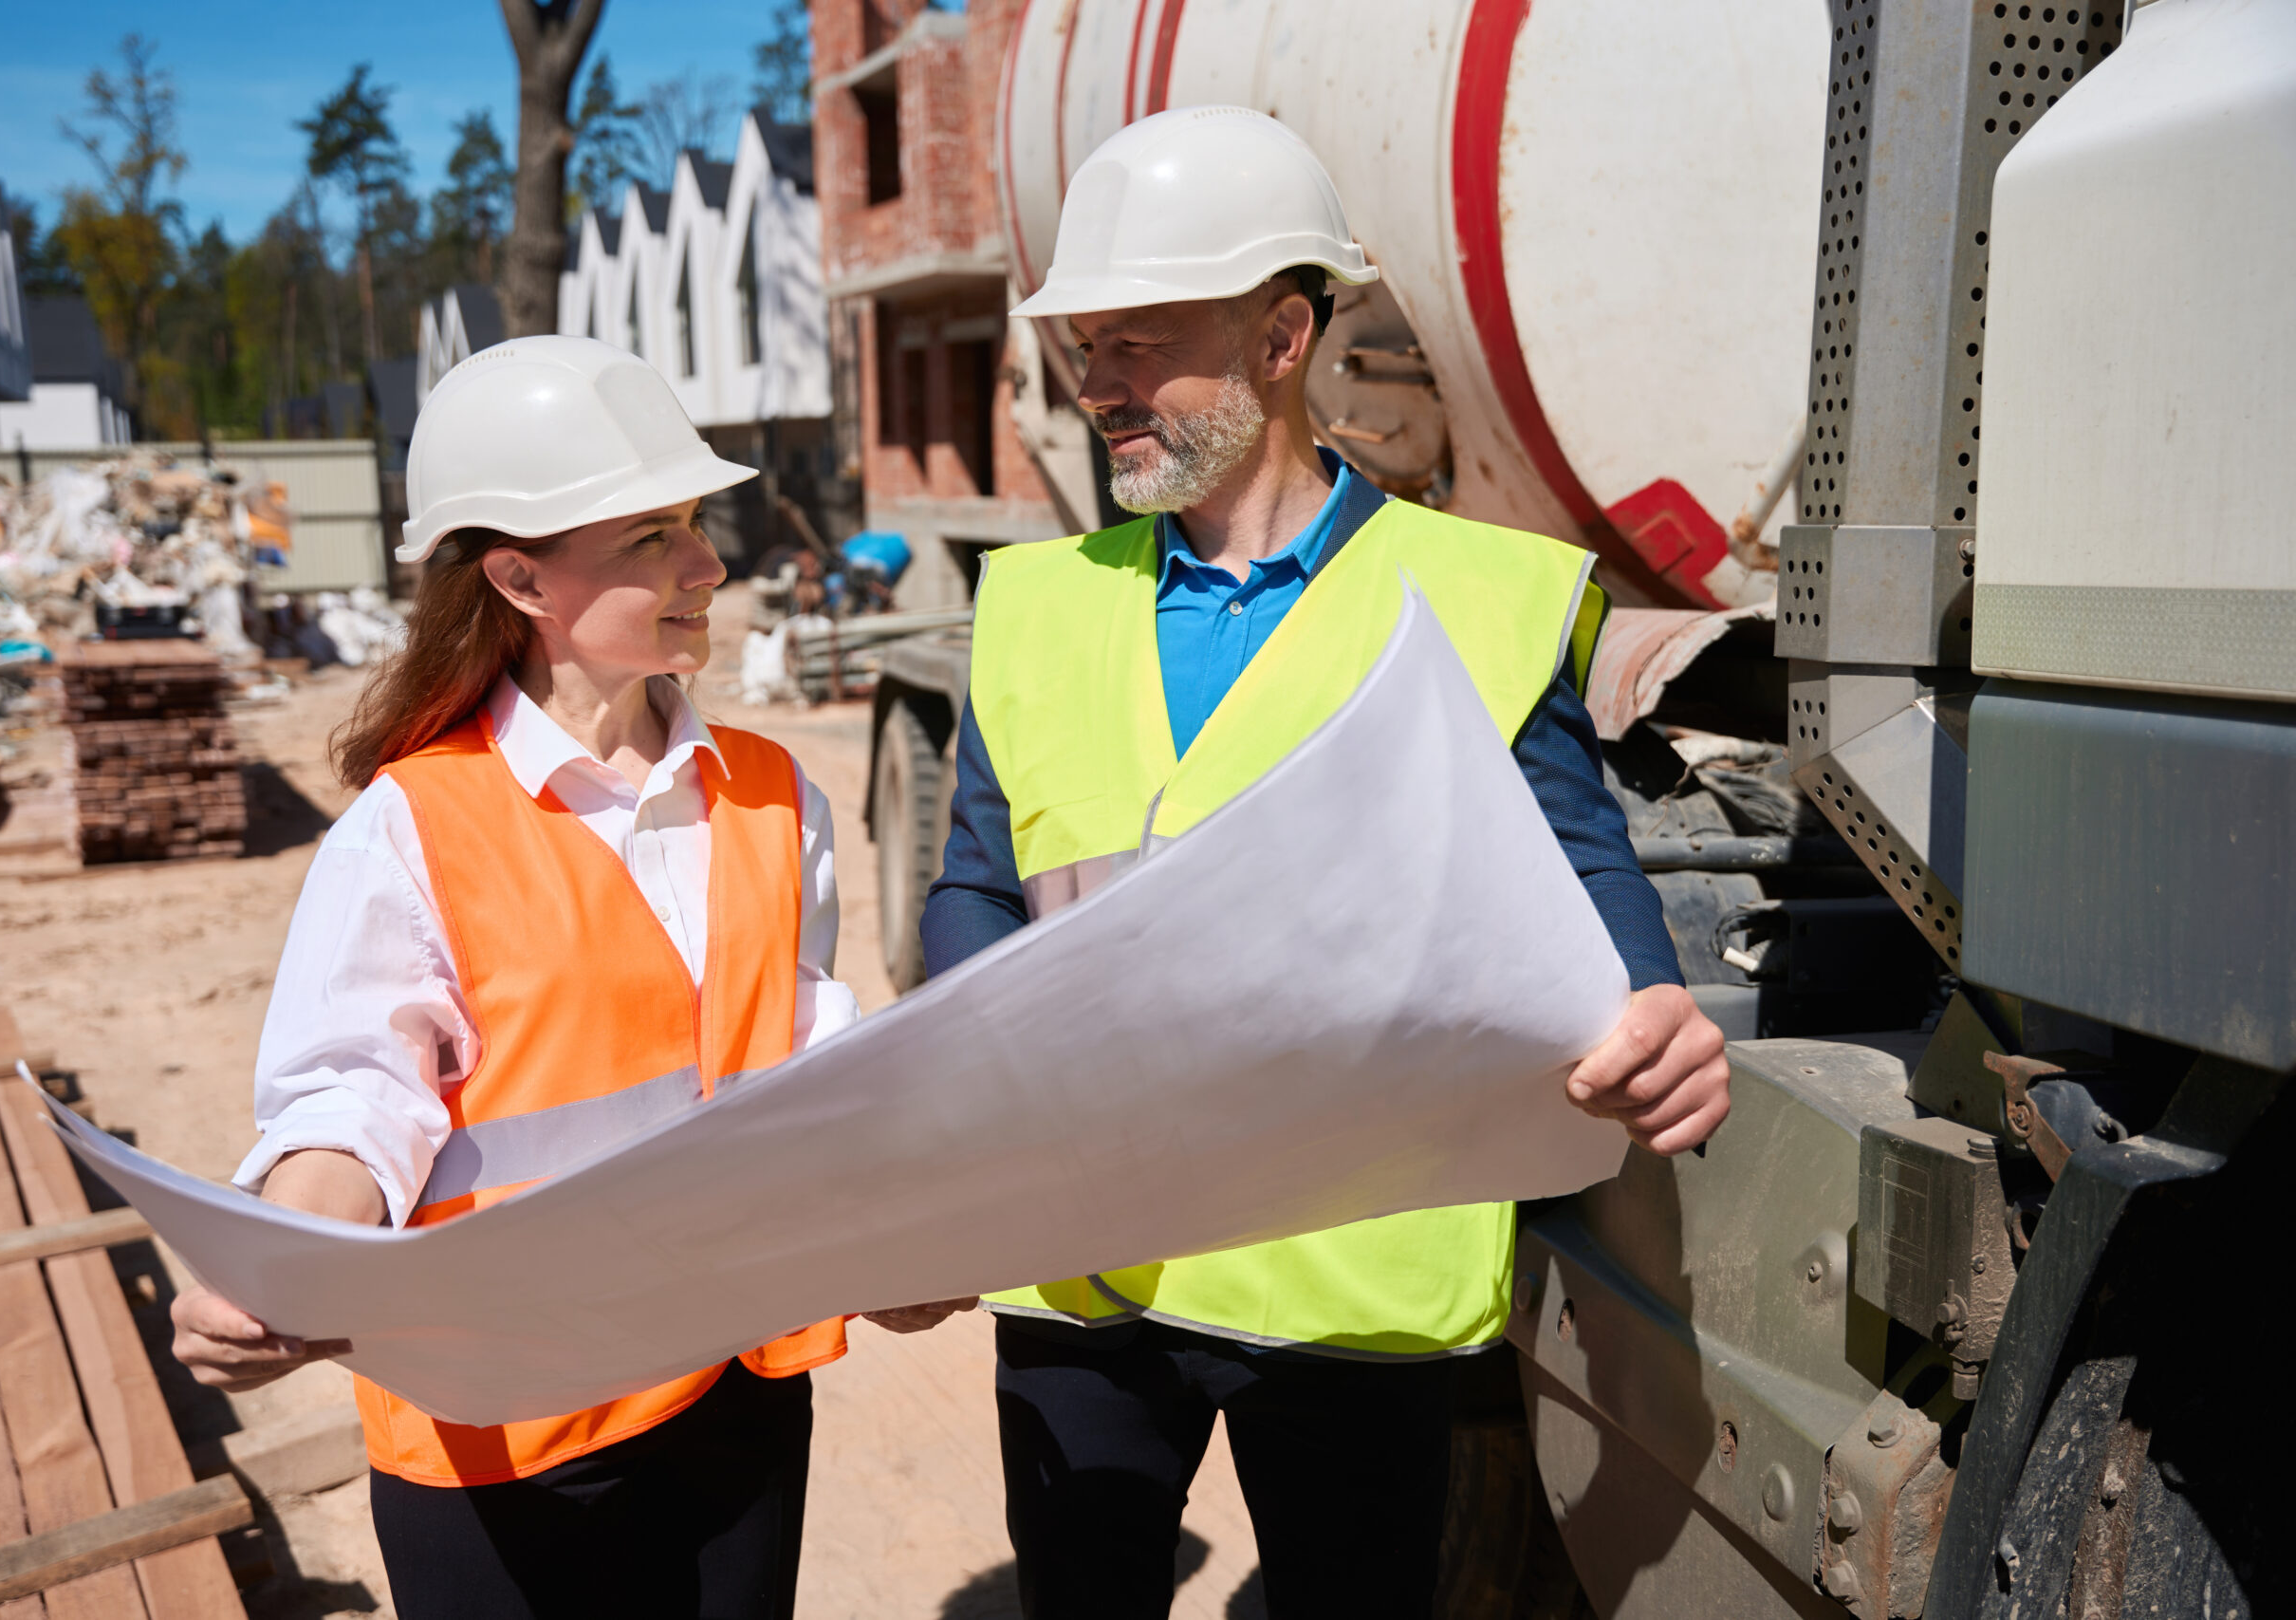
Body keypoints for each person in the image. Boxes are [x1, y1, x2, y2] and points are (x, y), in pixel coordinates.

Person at [911, 108, 1733, 1618]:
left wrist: (1651, 1000)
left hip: (1346, 1272)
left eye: (1137, 346)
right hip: (1084, 1265)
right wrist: (942, 1128)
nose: (1095, 389)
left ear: (1284, 333)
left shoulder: (1481, 597)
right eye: (1084, 348)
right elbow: (978, 879)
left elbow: (1577, 864)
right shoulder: (1035, 606)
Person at [167, 337, 861, 1620]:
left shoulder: (772, 793)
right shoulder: (411, 828)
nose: (710, 564)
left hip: (737, 1397)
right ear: (519, 577)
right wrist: (284, 1263)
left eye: (697, 524)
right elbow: (354, 1100)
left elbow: (807, 1055)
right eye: (655, 535)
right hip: (504, 1439)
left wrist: (903, 1226)